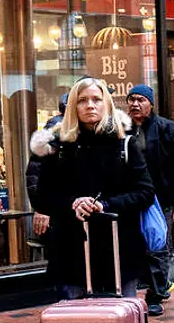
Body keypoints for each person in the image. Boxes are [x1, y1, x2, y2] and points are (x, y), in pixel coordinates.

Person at [30, 78, 156, 299]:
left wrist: (104, 205)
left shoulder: (124, 143)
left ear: (106, 103)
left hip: (119, 248)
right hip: (72, 250)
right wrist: (73, 203)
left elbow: (144, 192)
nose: (90, 105)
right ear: (72, 106)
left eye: (96, 99)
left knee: (119, 319)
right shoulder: (58, 146)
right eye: (82, 100)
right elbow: (43, 197)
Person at [125, 84, 174, 316]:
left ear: (151, 103)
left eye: (140, 100)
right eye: (131, 99)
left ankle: (155, 293)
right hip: (131, 198)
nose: (135, 104)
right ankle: (140, 288)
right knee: (134, 244)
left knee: (157, 245)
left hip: (160, 198)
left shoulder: (167, 128)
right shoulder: (121, 130)